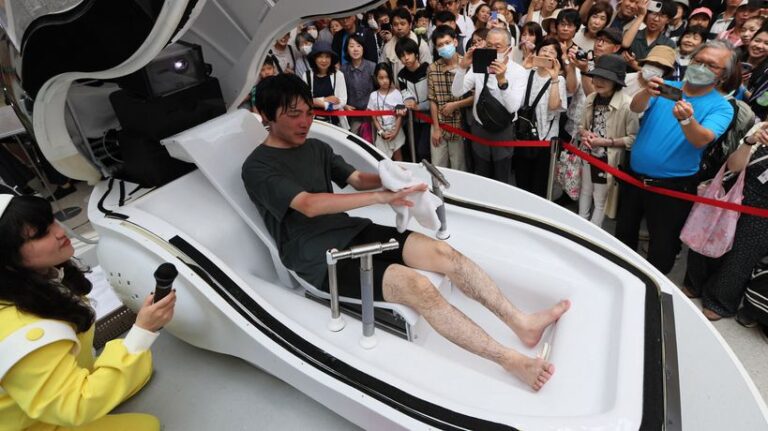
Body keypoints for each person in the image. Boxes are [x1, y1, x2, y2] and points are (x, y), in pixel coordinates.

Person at [242, 73, 570, 391]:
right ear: (267, 116)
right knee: (419, 287)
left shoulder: (316, 147)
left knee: (444, 253)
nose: (305, 122)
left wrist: (395, 179)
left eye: (309, 113)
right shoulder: (257, 167)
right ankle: (510, 360)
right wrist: (380, 197)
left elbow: (356, 178)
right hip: (317, 259)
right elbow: (309, 204)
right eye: (294, 115)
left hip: (350, 230)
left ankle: (521, 323)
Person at [0, 194, 177, 430]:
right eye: (41, 233)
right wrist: (143, 331)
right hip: (29, 422)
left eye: (52, 219)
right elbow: (74, 407)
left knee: (139, 369)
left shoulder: (42, 277)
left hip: (44, 396)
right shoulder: (21, 333)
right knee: (147, 426)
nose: (60, 231)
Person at [618, 39, 736, 274]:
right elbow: (636, 108)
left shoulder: (722, 107)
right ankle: (620, 274)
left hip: (672, 188)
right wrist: (646, 91)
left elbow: (702, 139)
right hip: (634, 178)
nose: (701, 68)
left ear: (722, 76)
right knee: (623, 233)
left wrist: (687, 120)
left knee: (663, 246)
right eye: (698, 61)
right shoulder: (666, 87)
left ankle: (652, 285)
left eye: (711, 65)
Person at [684, 122, 768, 321]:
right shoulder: (762, 128)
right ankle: (695, 283)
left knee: (741, 257)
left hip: (762, 215)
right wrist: (750, 141)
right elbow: (733, 166)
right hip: (733, 195)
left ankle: (719, 301)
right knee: (707, 237)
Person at [452, 27, 529, 183]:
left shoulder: (519, 72)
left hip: (503, 129)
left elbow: (513, 107)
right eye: (488, 46)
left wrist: (502, 81)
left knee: (502, 175)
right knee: (481, 173)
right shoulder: (479, 65)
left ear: (509, 49)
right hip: (479, 127)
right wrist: (462, 67)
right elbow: (457, 92)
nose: (492, 50)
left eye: (497, 46)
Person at [577, 54, 639, 226]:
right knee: (585, 191)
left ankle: (591, 233)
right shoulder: (591, 98)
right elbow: (581, 126)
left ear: (616, 82)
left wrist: (606, 142)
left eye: (606, 78)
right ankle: (579, 226)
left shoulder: (627, 105)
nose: (599, 81)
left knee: (600, 199)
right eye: (596, 76)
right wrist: (585, 134)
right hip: (587, 153)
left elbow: (633, 138)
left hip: (608, 159)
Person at [514, 38, 568, 197]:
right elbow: (514, 100)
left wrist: (554, 78)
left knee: (540, 184)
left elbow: (554, 106)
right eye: (544, 50)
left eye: (552, 52)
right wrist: (523, 68)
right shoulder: (526, 73)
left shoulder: (559, 79)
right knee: (521, 182)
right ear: (537, 52)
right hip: (523, 135)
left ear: (557, 58)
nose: (547, 54)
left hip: (546, 139)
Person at [428, 25, 474, 170]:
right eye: (440, 45)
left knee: (459, 167)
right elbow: (432, 100)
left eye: (447, 43)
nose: (444, 47)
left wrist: (455, 105)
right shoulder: (432, 68)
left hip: (460, 126)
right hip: (439, 125)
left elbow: (475, 97)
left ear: (455, 42)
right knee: (438, 167)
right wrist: (436, 128)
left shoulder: (467, 64)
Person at [396, 38, 431, 162]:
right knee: (414, 150)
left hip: (430, 117)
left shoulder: (428, 69)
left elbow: (434, 97)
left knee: (424, 151)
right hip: (413, 119)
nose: (406, 58)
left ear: (416, 54)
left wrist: (419, 106)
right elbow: (405, 94)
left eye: (409, 54)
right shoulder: (401, 75)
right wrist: (409, 102)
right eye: (402, 55)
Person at [303, 41, 349, 130]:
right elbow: (304, 101)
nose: (324, 60)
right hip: (313, 123)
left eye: (327, 56)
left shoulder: (338, 75)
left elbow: (343, 100)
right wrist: (326, 101)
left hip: (335, 123)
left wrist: (316, 102)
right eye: (320, 56)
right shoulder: (307, 75)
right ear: (314, 58)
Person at [622, 0, 678, 72]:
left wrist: (634, 64)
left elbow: (657, 73)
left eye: (662, 16)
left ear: (668, 20)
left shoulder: (668, 44)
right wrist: (641, 15)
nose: (656, 19)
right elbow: (625, 43)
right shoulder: (633, 33)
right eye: (653, 13)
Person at [381, 8, 434, 78]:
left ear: (410, 25)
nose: (399, 28)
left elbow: (429, 70)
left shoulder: (420, 44)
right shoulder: (388, 47)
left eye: (403, 24)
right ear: (392, 27)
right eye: (395, 24)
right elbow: (382, 71)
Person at [368, 63, 407, 160]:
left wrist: (395, 132)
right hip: (382, 131)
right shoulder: (373, 96)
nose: (384, 81)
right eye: (381, 78)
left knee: (398, 155)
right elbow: (374, 118)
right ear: (376, 78)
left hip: (396, 130)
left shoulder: (396, 93)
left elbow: (400, 115)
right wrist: (381, 132)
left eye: (387, 77)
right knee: (383, 158)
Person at [341, 34, 377, 136]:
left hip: (371, 114)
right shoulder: (343, 69)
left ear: (363, 48)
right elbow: (339, 92)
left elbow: (379, 89)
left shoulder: (372, 66)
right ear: (347, 49)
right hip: (352, 115)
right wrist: (344, 105)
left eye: (358, 46)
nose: (355, 49)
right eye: (351, 46)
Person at [744, 24, 768, 120]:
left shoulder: (766, 75)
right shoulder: (735, 57)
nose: (759, 46)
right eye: (757, 40)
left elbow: (760, 104)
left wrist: (741, 88)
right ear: (751, 40)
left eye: (766, 44)